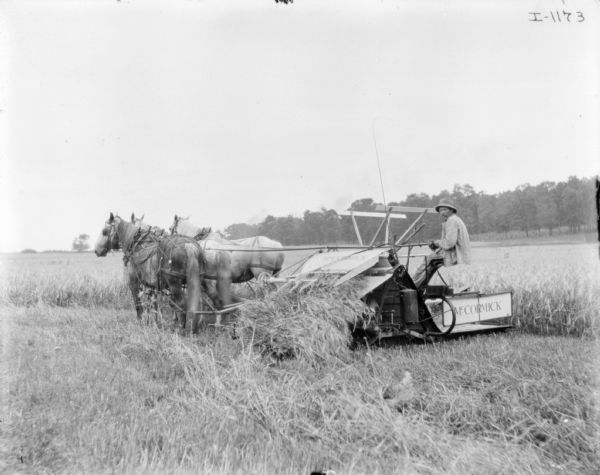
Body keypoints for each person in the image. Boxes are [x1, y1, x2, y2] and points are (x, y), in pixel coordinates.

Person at [412, 200, 471, 287]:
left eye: (444, 209)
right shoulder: (456, 220)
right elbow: (448, 242)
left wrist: (436, 243)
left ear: (451, 210)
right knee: (429, 265)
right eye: (440, 210)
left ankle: (413, 286)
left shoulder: (452, 221)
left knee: (425, 264)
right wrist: (437, 245)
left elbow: (449, 243)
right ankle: (418, 286)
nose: (442, 212)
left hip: (453, 254)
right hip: (457, 254)